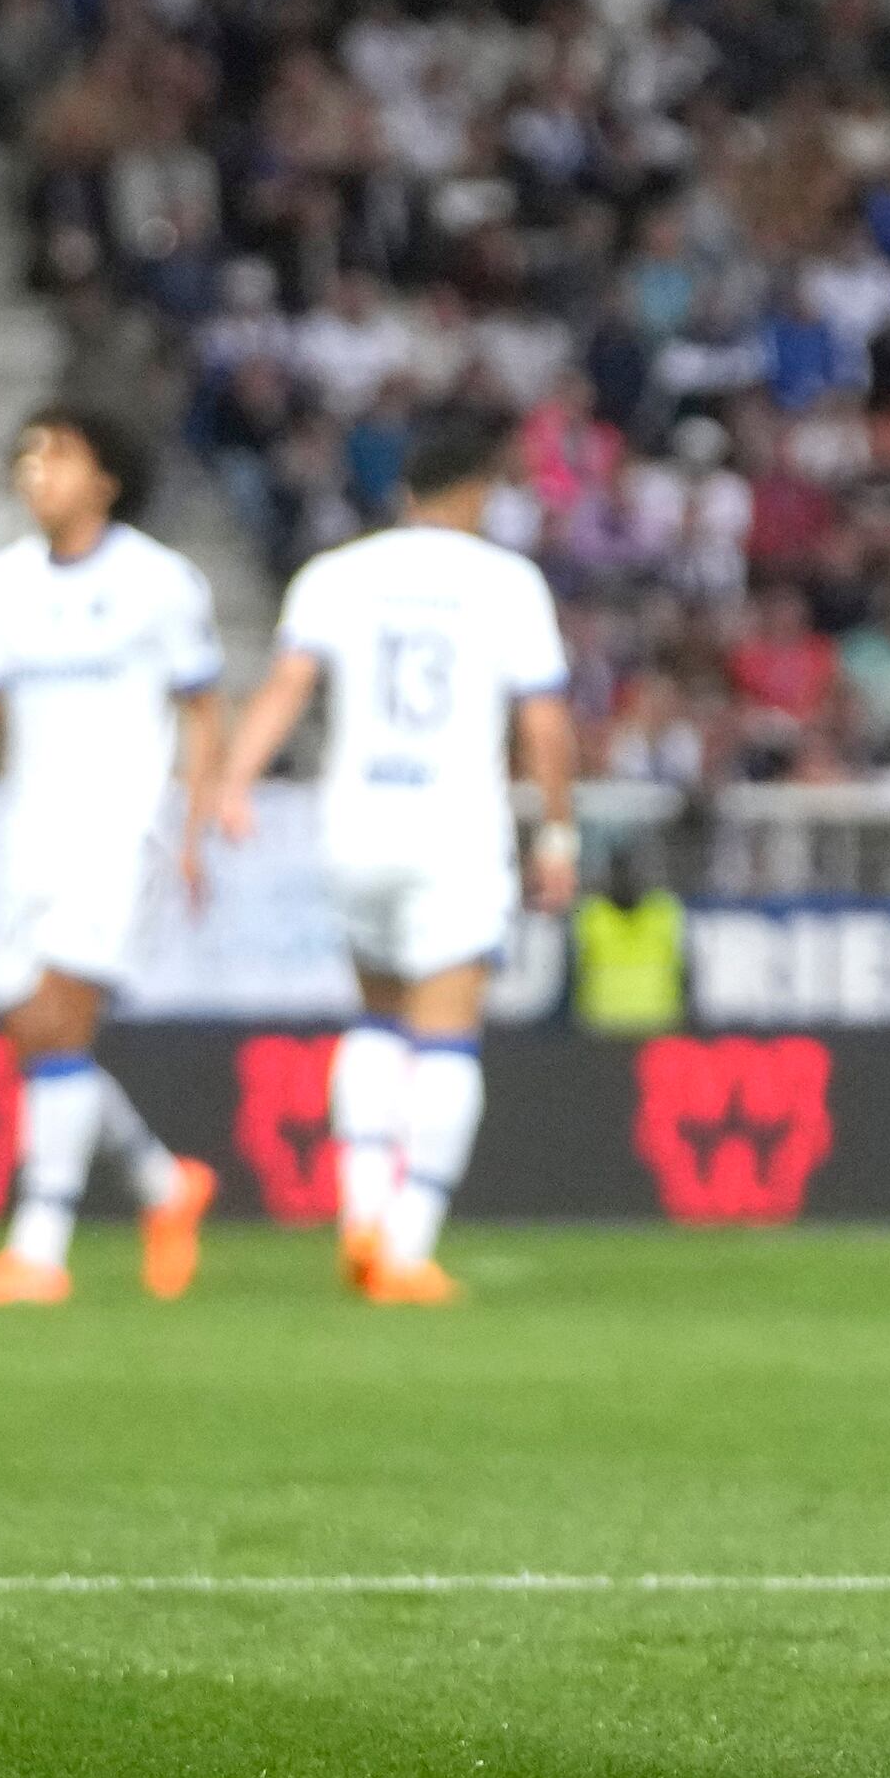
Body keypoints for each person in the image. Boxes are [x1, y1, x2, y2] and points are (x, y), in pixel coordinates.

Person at [204, 402, 578, 1302]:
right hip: (453, 832)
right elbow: (544, 719)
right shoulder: (506, 582)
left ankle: (361, 1216)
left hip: (356, 828)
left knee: (375, 1021)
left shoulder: (340, 574)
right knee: (446, 1035)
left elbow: (287, 684)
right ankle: (406, 1247)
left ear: (406, 489)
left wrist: (232, 781)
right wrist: (557, 830)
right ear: (480, 492)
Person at [0, 404, 223, 1306]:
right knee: (34, 1030)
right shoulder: (0, 584)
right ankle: (164, 1184)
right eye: (25, 458)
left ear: (105, 478)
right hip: (27, 834)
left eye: (54, 456)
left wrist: (196, 830)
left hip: (118, 828)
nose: (34, 473)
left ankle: (39, 1247)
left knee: (60, 1018)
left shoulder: (161, 582)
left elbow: (202, 711)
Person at [569, 837, 689, 1038]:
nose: (627, 879)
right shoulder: (592, 913)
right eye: (621, 872)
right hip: (605, 1026)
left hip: (652, 1025)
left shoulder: (664, 910)